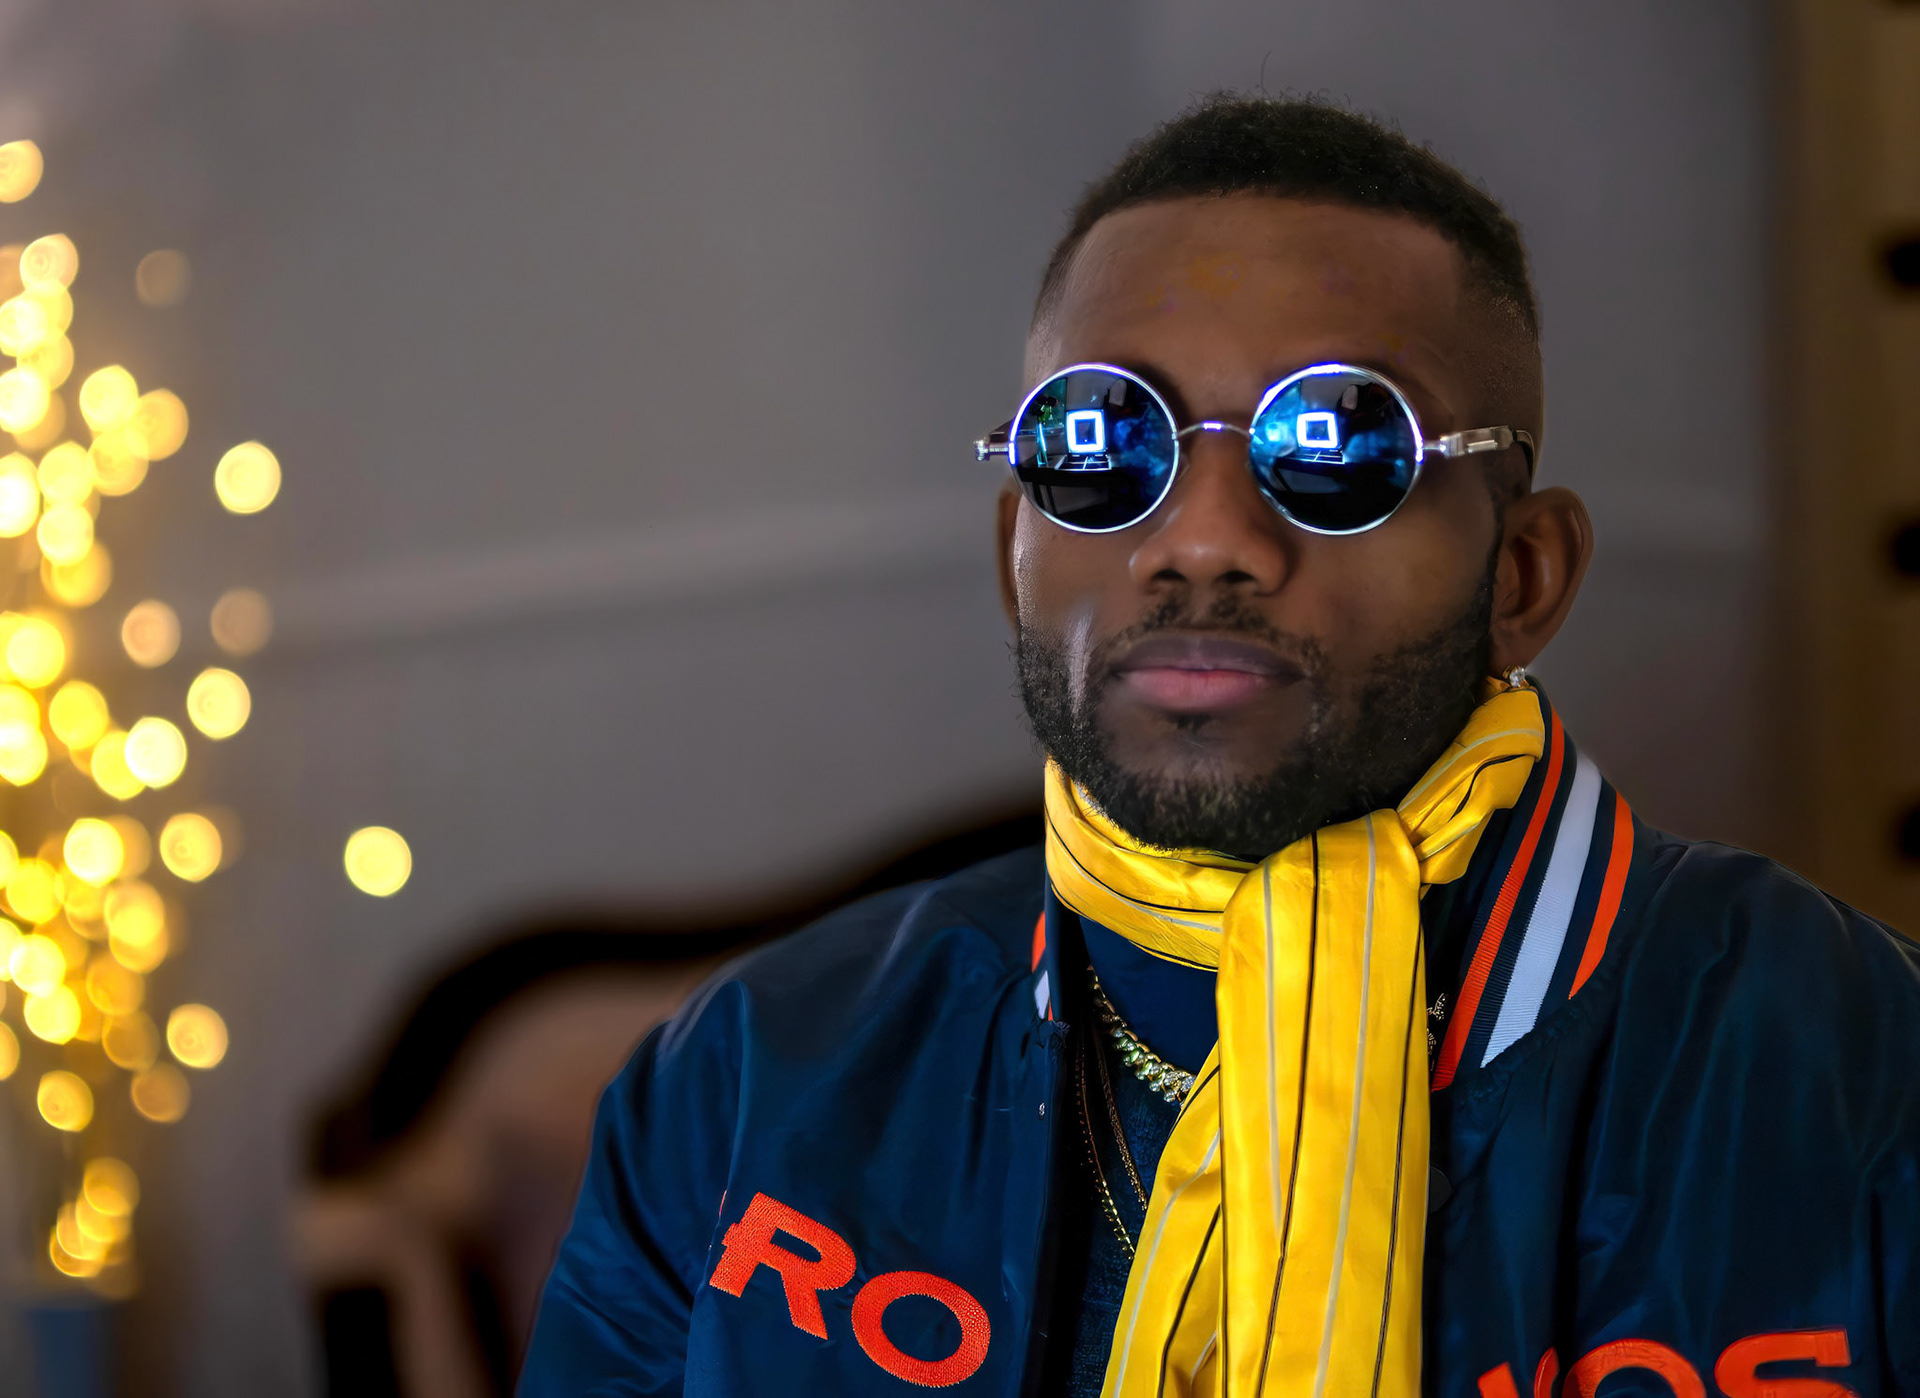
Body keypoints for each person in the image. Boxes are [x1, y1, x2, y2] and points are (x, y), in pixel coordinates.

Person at [518, 95, 1920, 1397]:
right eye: (1100, 441)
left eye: (1337, 443)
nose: (1202, 539)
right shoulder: (751, 1080)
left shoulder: (1862, 1080)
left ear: (1523, 575)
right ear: (1014, 548)